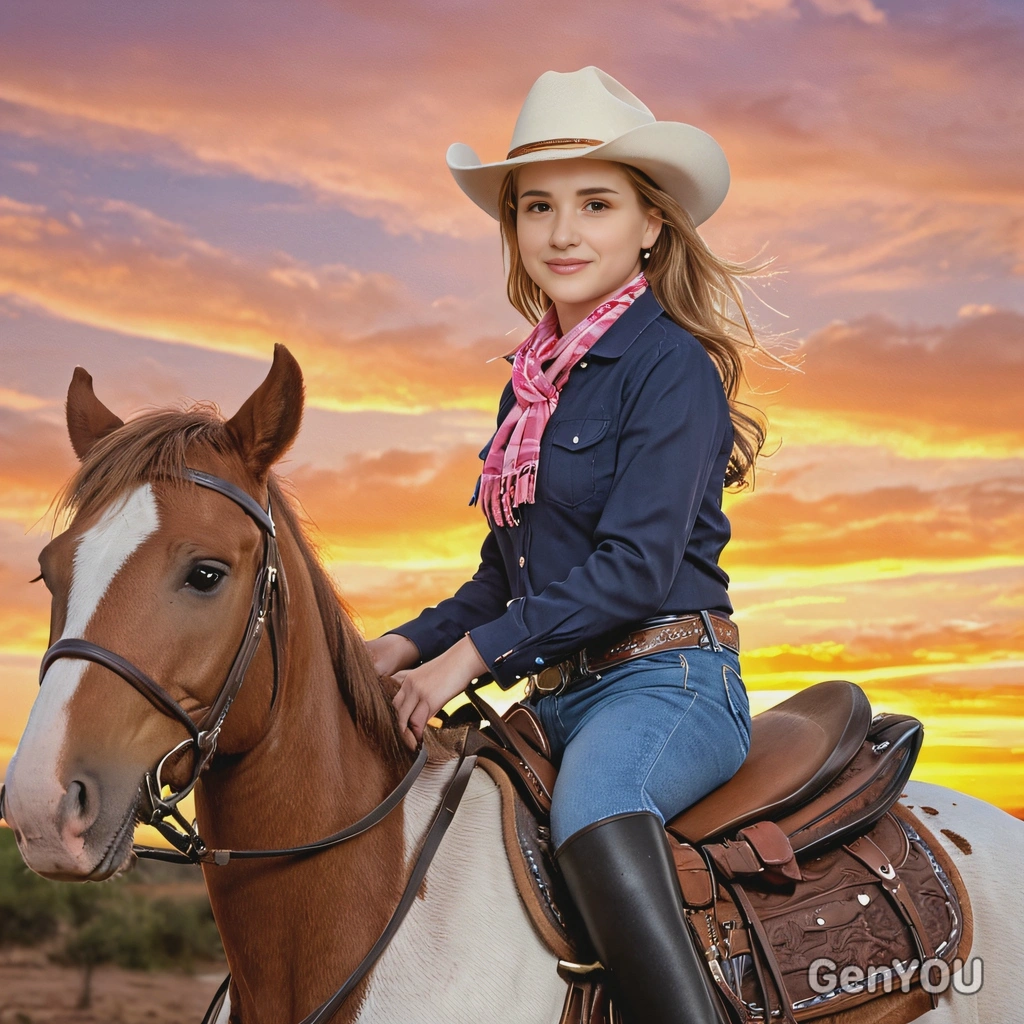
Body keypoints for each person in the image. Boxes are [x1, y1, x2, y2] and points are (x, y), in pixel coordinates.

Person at [367, 66, 777, 1024]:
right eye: (537, 207)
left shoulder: (670, 366)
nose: (562, 232)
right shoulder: (531, 387)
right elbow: (498, 579)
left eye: (596, 204)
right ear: (511, 227)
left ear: (650, 224)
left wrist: (469, 658)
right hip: (562, 693)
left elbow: (635, 570)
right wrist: (398, 648)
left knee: (597, 814)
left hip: (668, 683)